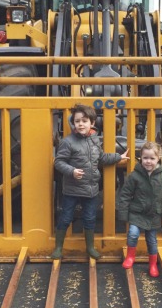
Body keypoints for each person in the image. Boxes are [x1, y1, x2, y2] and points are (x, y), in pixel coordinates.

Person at [52, 103, 129, 260]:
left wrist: (118, 157)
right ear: (73, 123)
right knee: (66, 217)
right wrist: (71, 171)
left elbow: (101, 158)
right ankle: (58, 248)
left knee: (89, 218)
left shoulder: (94, 141)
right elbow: (58, 162)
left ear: (92, 123)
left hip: (91, 189)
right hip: (72, 189)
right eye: (77, 121)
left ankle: (90, 248)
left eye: (84, 121)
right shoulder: (68, 142)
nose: (81, 124)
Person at [117, 141, 162, 277]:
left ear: (158, 159)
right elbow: (125, 194)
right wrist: (123, 214)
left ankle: (153, 264)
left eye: (152, 158)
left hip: (154, 214)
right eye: (145, 158)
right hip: (137, 212)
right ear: (140, 158)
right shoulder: (135, 175)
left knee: (152, 240)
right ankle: (131, 257)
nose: (148, 161)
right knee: (133, 233)